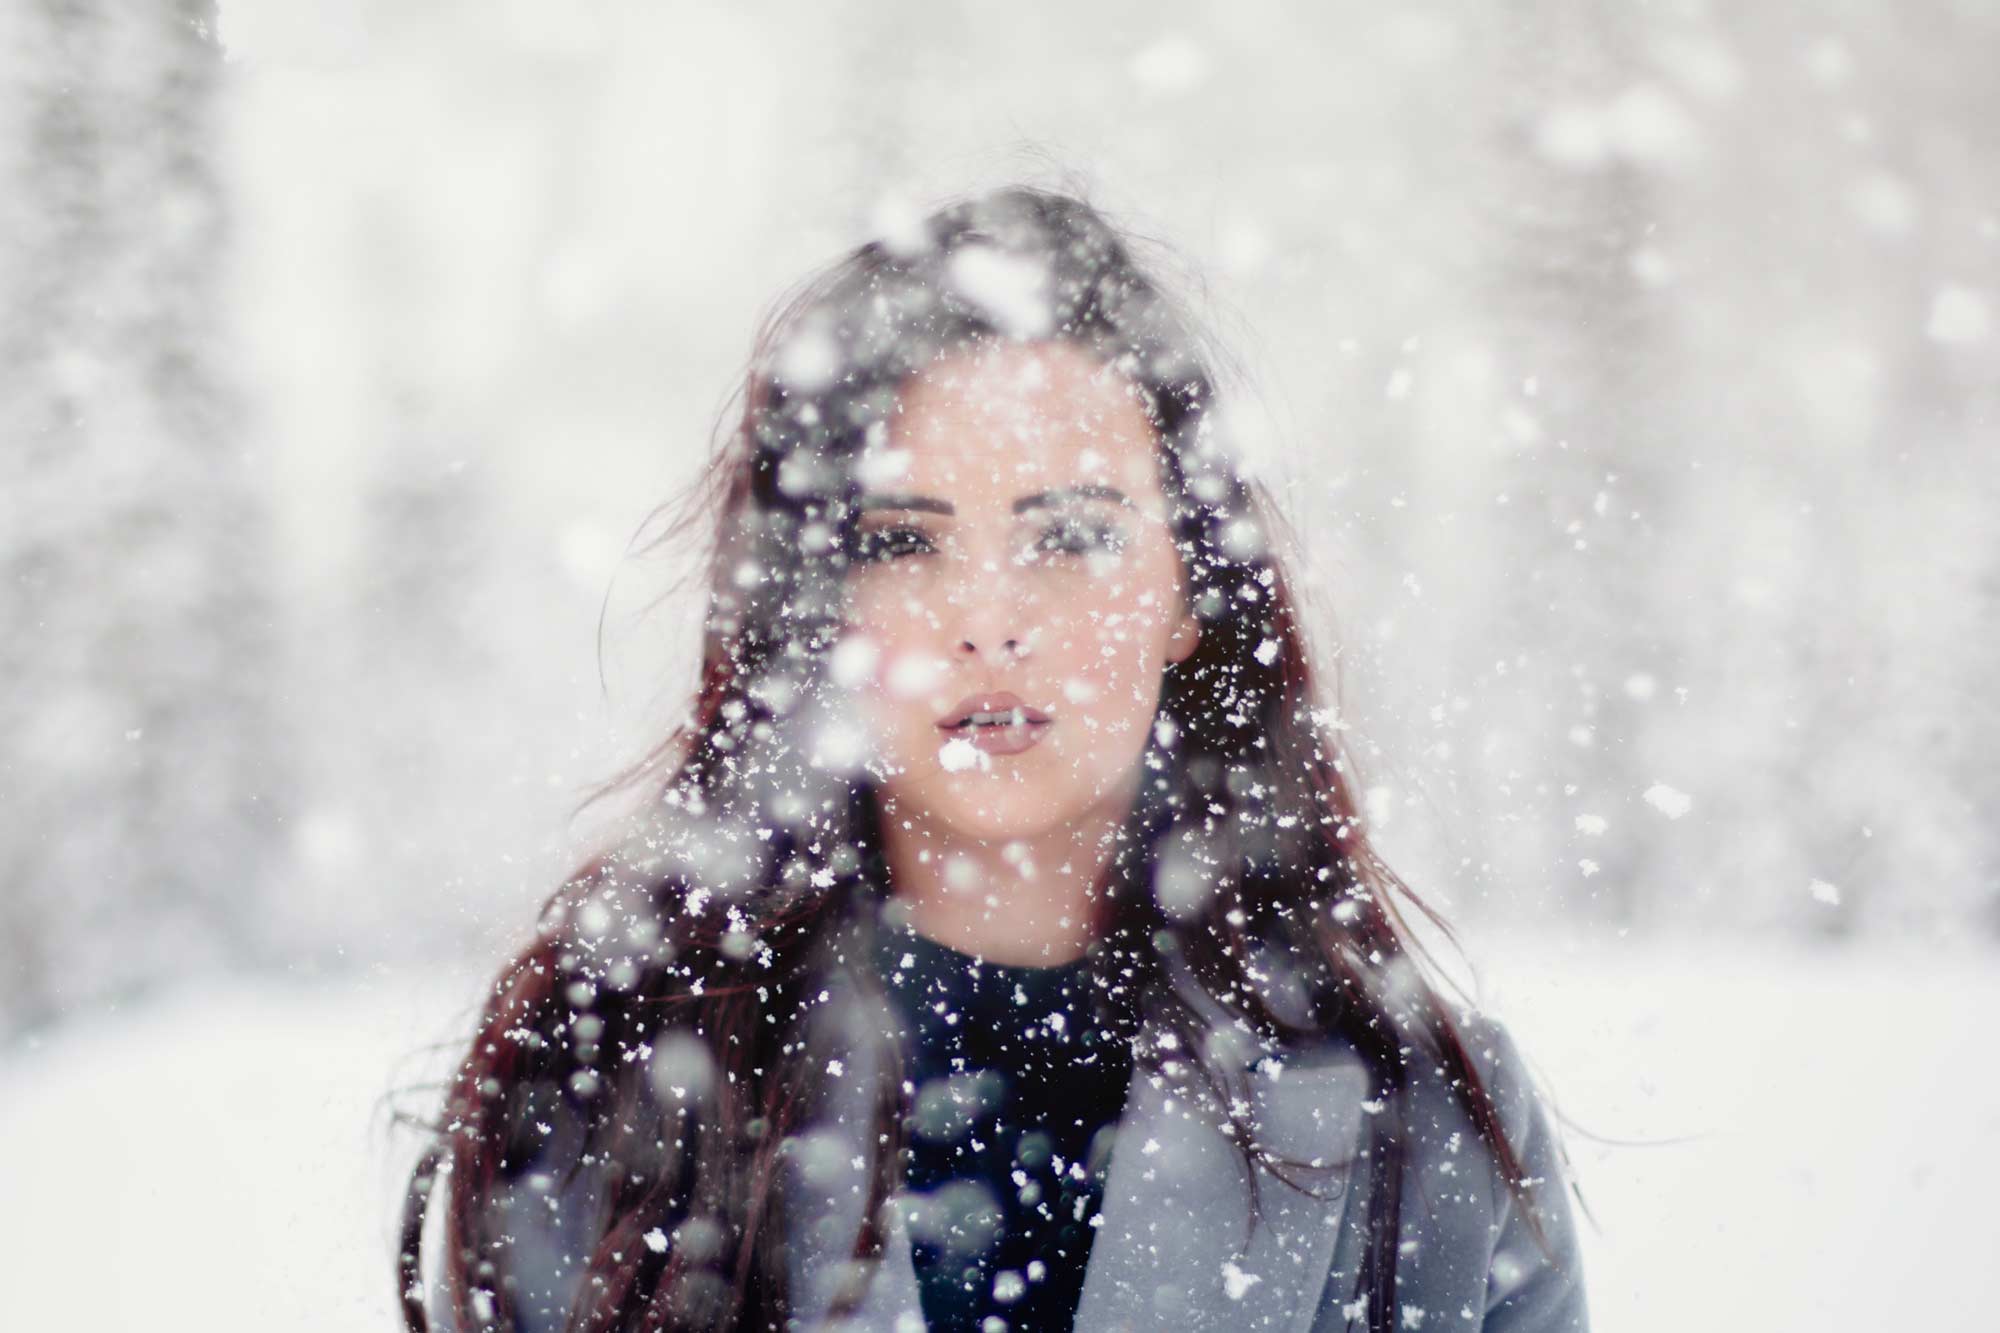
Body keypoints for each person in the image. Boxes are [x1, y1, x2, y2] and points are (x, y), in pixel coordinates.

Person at [398, 185, 1589, 1333]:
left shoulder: (1419, 1111)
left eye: (1068, 533)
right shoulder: (610, 1087)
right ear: (816, 601)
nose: (987, 617)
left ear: (1188, 588)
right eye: (904, 540)